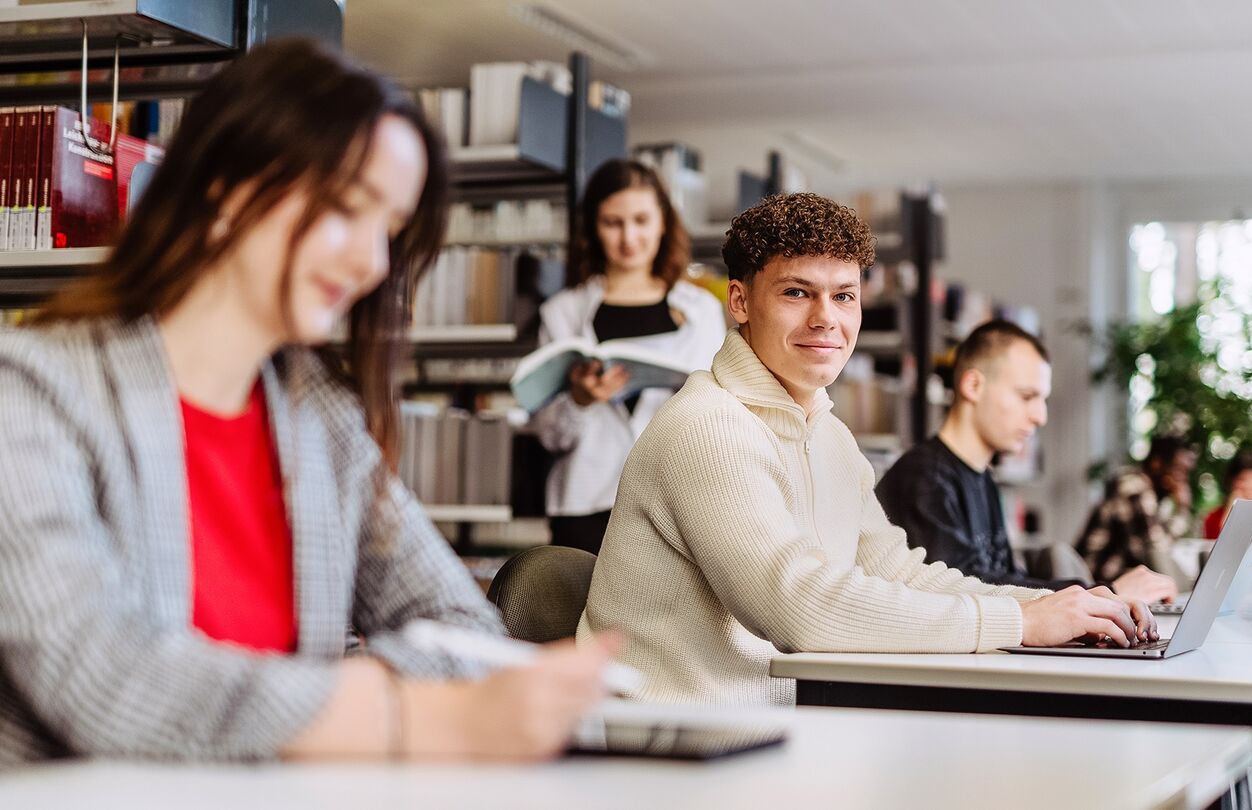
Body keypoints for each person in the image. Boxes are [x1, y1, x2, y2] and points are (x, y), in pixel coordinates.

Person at [0, 40, 616, 766]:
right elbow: (106, 683)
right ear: (227, 187)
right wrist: (394, 713)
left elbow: (463, 628)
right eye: (347, 210)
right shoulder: (33, 392)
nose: (373, 262)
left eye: (390, 228)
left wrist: (329, 703)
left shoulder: (325, 422)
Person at [577, 192, 1156, 707]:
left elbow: (898, 571)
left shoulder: (829, 434)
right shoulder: (708, 427)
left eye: (844, 296)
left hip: (770, 725)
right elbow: (798, 606)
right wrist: (1017, 621)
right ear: (740, 302)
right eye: (797, 291)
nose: (826, 318)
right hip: (672, 738)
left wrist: (1058, 609)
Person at [876, 320, 1177, 603]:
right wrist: (1101, 592)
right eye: (1026, 396)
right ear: (973, 386)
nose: (1040, 416)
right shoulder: (924, 478)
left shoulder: (982, 478)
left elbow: (1005, 580)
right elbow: (962, 590)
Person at [529, 159, 726, 554]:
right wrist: (579, 401)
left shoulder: (701, 310)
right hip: (586, 505)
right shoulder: (563, 313)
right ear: (593, 228)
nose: (628, 237)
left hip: (677, 505)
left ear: (663, 223)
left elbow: (720, 415)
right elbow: (550, 436)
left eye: (641, 220)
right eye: (613, 223)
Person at [1074, 435, 1197, 586]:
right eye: (1177, 469)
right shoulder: (1132, 486)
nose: (1182, 479)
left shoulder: (1153, 495)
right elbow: (1154, 551)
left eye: (1186, 472)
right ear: (1156, 463)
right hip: (1095, 582)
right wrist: (1182, 510)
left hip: (1113, 582)